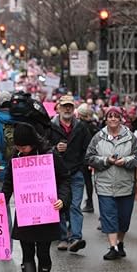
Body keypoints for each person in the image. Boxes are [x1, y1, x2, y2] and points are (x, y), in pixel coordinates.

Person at [2, 123, 70, 272]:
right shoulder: (15, 157)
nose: (20, 150)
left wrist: (62, 199)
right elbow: (8, 183)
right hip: (26, 212)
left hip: (46, 212)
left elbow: (64, 178)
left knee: (43, 252)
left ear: (32, 143)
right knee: (27, 251)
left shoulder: (49, 156)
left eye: (23, 146)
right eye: (17, 146)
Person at [86, 106, 137, 260]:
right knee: (109, 217)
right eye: (109, 116)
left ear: (120, 119)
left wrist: (125, 161)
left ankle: (120, 242)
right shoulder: (98, 137)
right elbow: (89, 157)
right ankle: (113, 247)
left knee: (124, 218)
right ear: (106, 119)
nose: (112, 119)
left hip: (126, 185)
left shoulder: (130, 137)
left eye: (115, 116)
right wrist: (106, 160)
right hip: (105, 185)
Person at [50, 95, 92, 252]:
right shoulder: (51, 126)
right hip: (57, 173)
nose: (67, 109)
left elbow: (87, 149)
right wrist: (55, 148)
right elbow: (44, 146)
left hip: (75, 172)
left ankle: (75, 238)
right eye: (65, 106)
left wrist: (83, 166)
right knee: (60, 205)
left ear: (74, 109)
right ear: (59, 107)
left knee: (75, 206)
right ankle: (62, 237)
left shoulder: (81, 127)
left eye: (70, 106)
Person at [77, 103, 100, 213]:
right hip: (91, 156)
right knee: (88, 181)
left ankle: (88, 202)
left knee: (82, 181)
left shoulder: (81, 126)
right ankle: (89, 201)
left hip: (83, 157)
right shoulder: (93, 125)